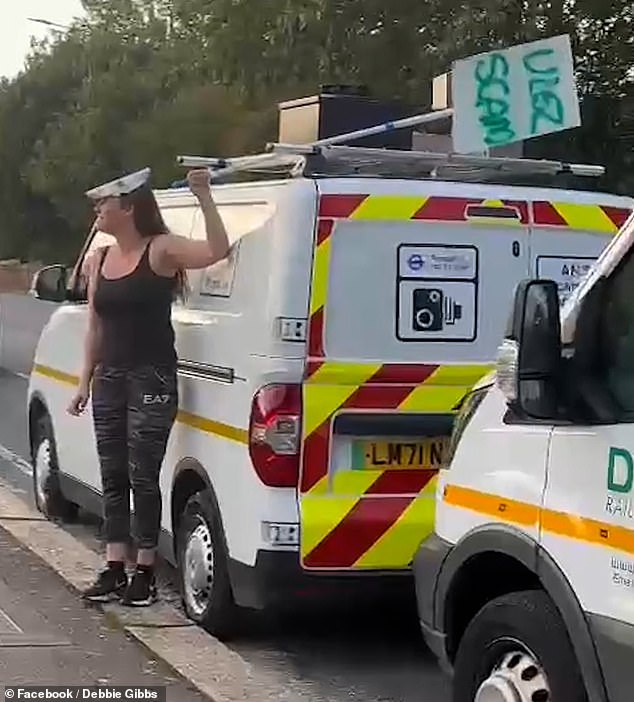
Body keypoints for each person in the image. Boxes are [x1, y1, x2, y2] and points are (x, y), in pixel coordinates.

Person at [67, 166, 229, 607]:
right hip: (110, 378)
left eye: (104, 203)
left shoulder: (160, 250)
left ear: (129, 207)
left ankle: (145, 572)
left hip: (151, 376)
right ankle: (114, 565)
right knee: (113, 472)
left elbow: (217, 249)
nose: (97, 210)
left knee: (143, 473)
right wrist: (84, 381)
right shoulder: (100, 259)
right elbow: (95, 327)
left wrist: (204, 196)